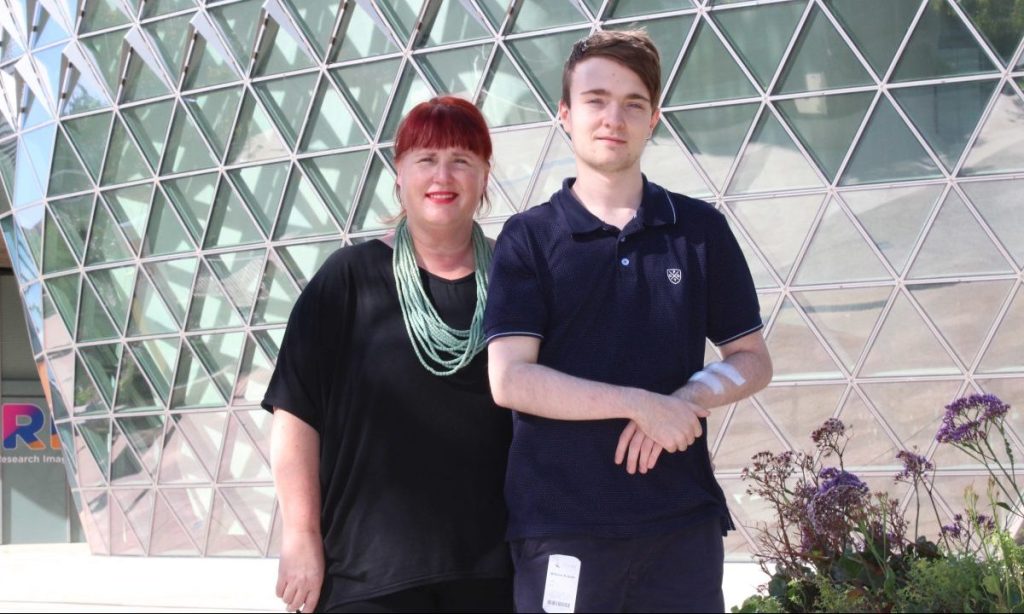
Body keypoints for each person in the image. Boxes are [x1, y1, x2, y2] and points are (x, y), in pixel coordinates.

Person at [484, 30, 773, 613]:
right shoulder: (529, 238)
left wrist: (685, 399)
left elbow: (753, 359)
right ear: (565, 114)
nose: (613, 117)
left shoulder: (698, 230)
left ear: (654, 119)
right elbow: (511, 379)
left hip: (680, 527)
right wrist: (640, 404)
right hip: (561, 529)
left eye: (632, 103)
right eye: (594, 99)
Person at [264, 96, 513, 613]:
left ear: (485, 175)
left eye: (462, 160)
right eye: (425, 159)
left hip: (494, 573)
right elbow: (295, 414)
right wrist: (300, 535)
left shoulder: (518, 281)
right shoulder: (348, 278)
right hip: (369, 576)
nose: (443, 175)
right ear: (399, 174)